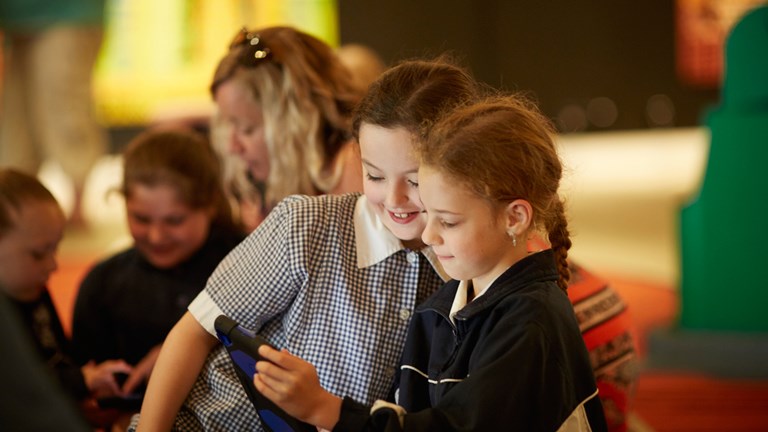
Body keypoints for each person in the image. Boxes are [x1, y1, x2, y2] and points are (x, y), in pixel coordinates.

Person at [133, 57, 481, 431]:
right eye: (374, 175)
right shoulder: (308, 226)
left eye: (414, 180)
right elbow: (194, 332)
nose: (394, 199)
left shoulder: (467, 271)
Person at [252, 95, 609, 431]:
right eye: (429, 214)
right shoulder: (438, 310)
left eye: (449, 221)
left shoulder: (533, 325)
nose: (429, 236)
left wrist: (326, 409)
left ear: (514, 218)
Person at [70, 126, 246, 427]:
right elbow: (81, 374)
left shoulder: (245, 264)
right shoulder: (103, 284)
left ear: (211, 205)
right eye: (140, 218)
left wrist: (176, 359)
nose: (156, 235)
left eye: (174, 221)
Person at [0, 168, 133, 428]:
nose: (53, 265)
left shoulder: (33, 287)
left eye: (55, 247)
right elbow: (24, 391)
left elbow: (59, 357)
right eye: (39, 254)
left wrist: (84, 394)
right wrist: (80, 381)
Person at [209, 26, 365, 232]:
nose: (233, 146)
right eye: (230, 125)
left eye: (247, 129)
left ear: (296, 122)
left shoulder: (351, 166)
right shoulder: (277, 187)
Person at [0, 0, 108, 228]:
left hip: (68, 13)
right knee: (13, 116)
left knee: (64, 103)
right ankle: (18, 202)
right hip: (12, 20)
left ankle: (78, 205)